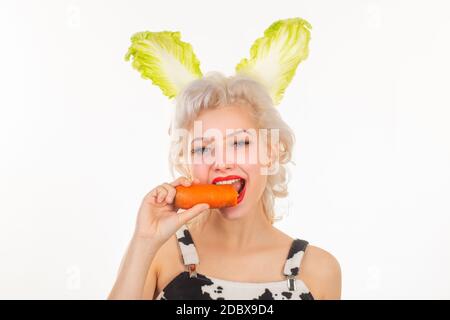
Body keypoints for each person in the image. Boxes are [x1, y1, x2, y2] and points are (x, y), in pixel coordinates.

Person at [108, 18, 341, 300]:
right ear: (188, 162)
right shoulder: (158, 255)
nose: (221, 162)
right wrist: (144, 241)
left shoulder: (318, 270)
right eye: (203, 149)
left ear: (270, 151)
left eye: (240, 143)